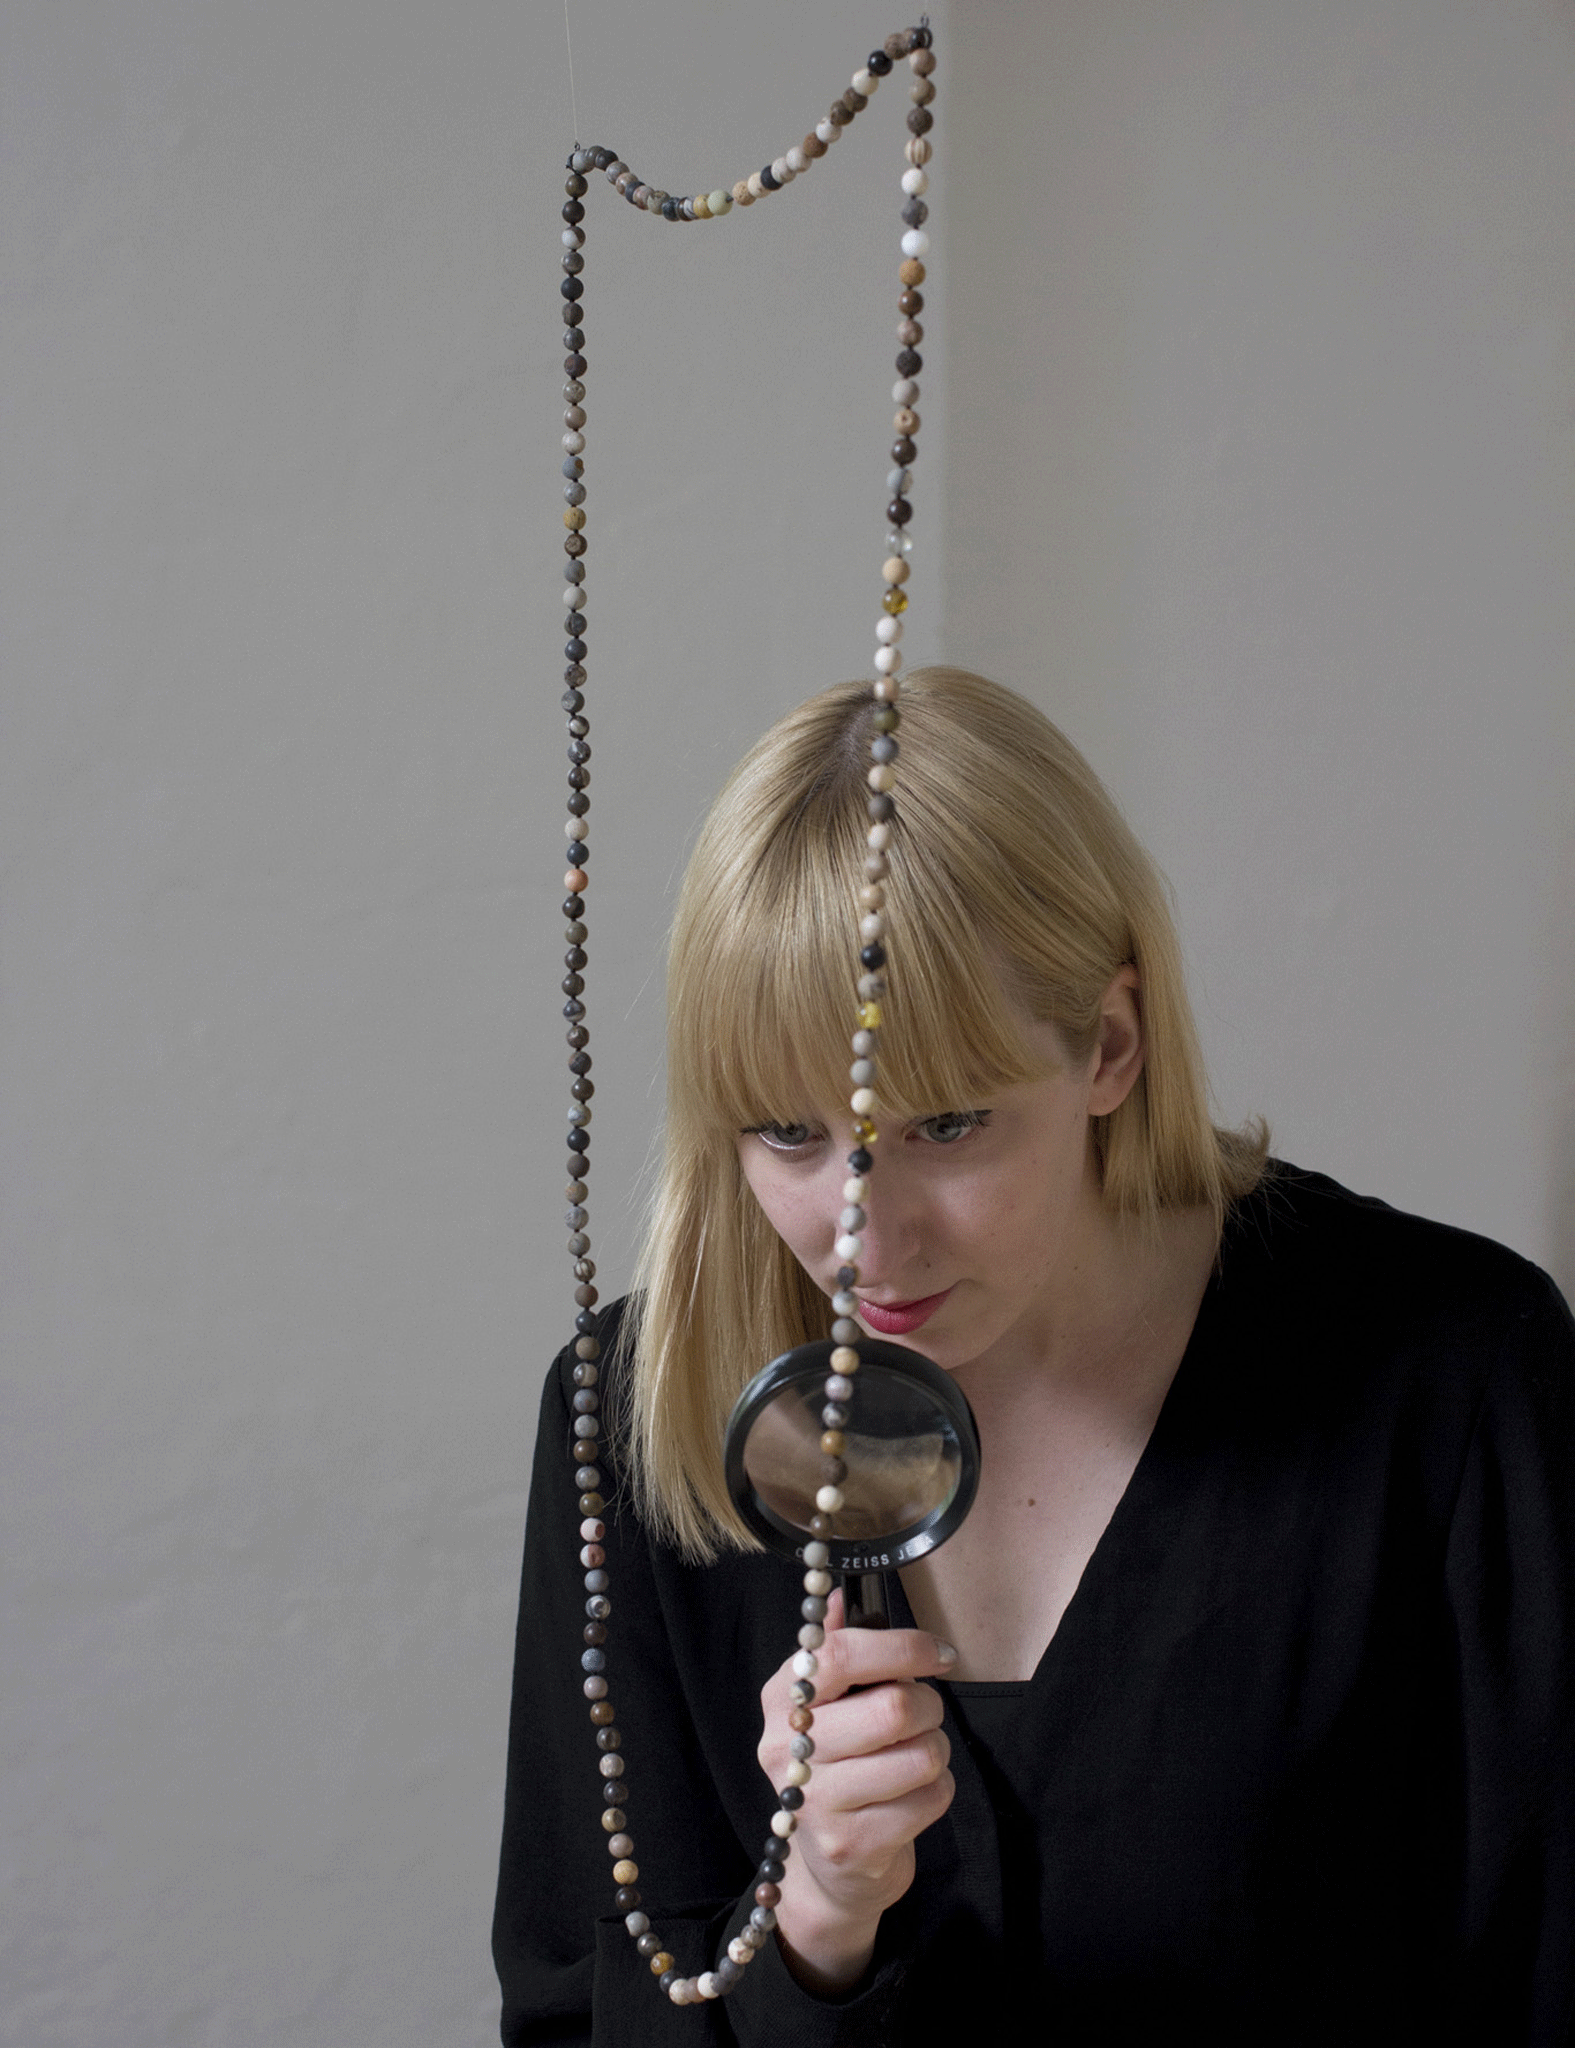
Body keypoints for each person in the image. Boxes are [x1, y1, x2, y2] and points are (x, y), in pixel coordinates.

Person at [493, 667, 1575, 2045]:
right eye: (784, 1134)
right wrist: (815, 1924)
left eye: (945, 1127)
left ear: (1109, 1045)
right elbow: (572, 2020)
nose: (862, 1239)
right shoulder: (631, 1417)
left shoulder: (1445, 1375)